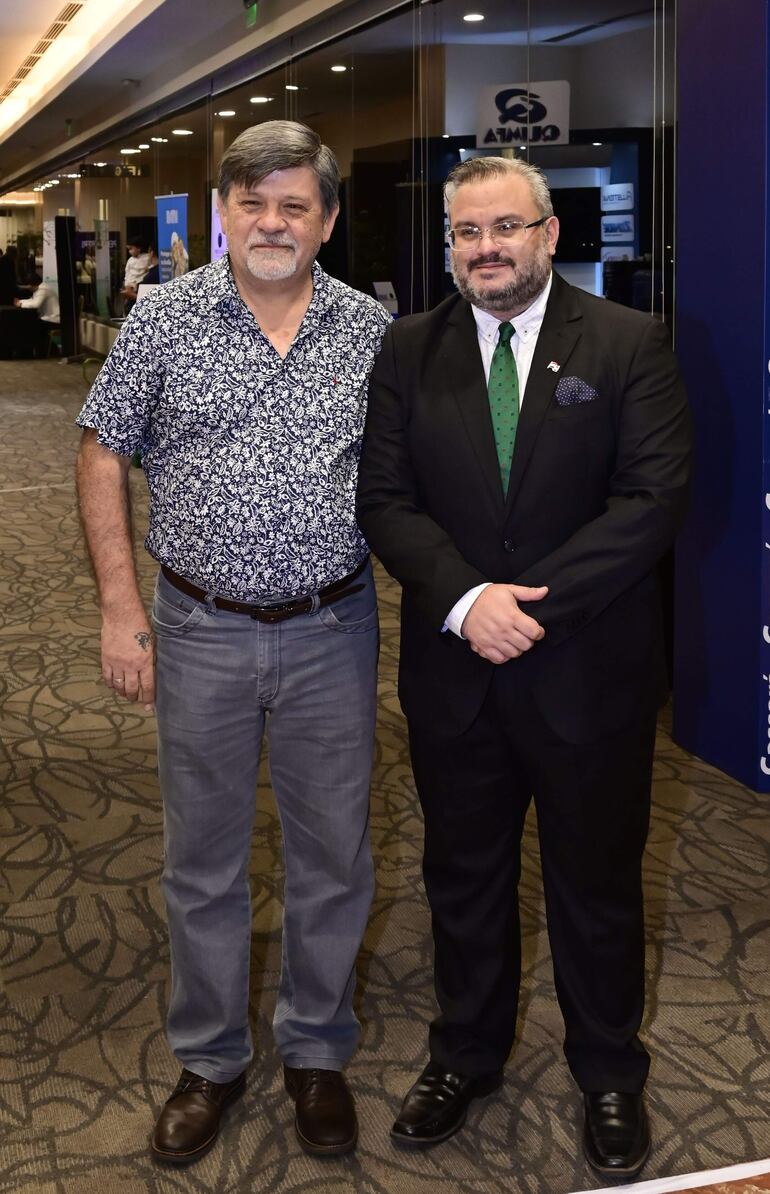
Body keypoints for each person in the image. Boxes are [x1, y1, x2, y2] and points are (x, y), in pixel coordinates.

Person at [356, 155, 692, 1181]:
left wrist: (524, 608)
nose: (483, 248)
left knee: (594, 887)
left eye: (504, 227)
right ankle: (465, 1054)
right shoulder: (409, 349)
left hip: (586, 673)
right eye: (465, 232)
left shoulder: (630, 341)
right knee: (462, 879)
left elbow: (650, 501)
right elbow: (385, 498)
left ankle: (605, 1072)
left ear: (548, 234)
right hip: (457, 672)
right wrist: (467, 603)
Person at [76, 120, 390, 1166]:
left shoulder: (369, 330)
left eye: (293, 205)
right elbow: (99, 452)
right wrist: (121, 609)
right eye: (252, 203)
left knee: (331, 858)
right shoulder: (163, 319)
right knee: (202, 861)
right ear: (222, 212)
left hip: (332, 629)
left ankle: (314, 1050)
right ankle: (208, 1059)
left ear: (327, 221)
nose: (271, 222)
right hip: (197, 626)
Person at [121, 235, 150, 312]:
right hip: (129, 288)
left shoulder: (147, 258)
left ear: (139, 248)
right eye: (128, 249)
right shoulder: (130, 260)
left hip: (140, 289)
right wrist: (127, 284)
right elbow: (127, 274)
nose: (129, 251)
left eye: (131, 249)